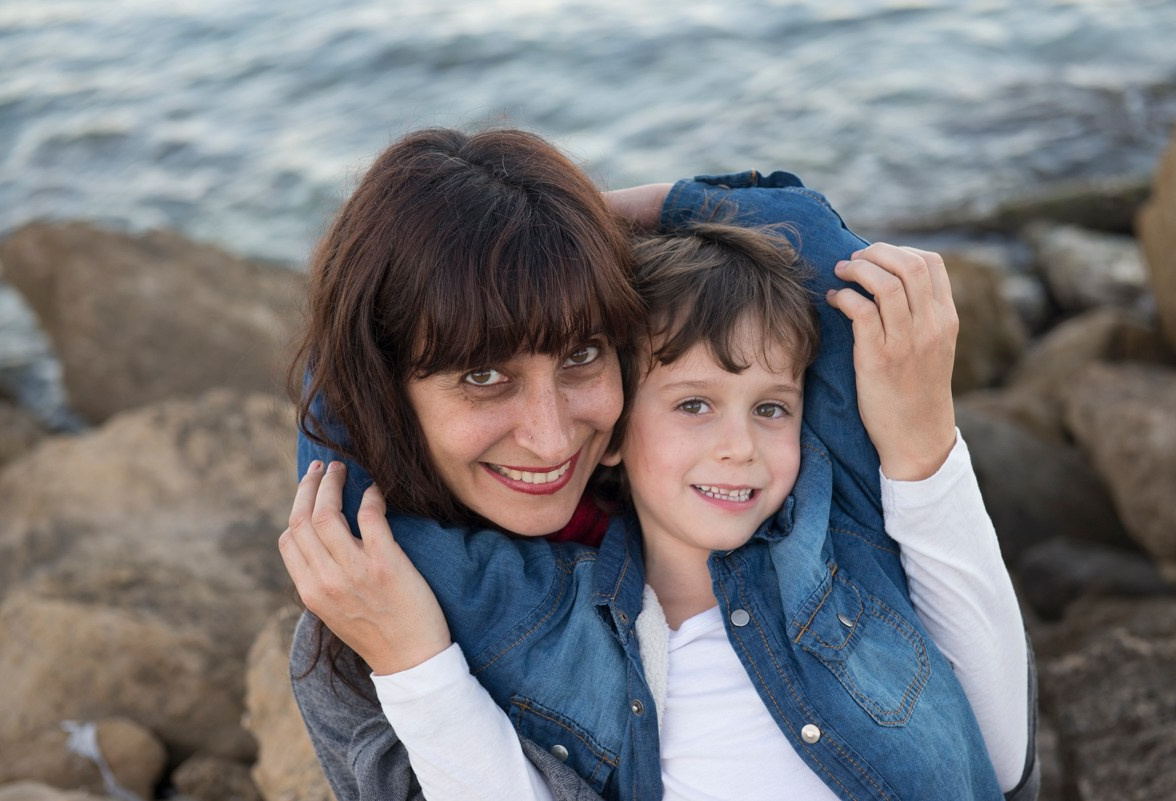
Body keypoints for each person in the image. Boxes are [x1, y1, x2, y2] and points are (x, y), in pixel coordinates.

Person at [280, 128, 1038, 800]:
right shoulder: (373, 620)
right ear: (385, 390)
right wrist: (418, 668)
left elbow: (1004, 764)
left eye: (582, 356)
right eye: (483, 376)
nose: (549, 439)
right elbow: (341, 430)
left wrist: (556, 225)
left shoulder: (803, 524)